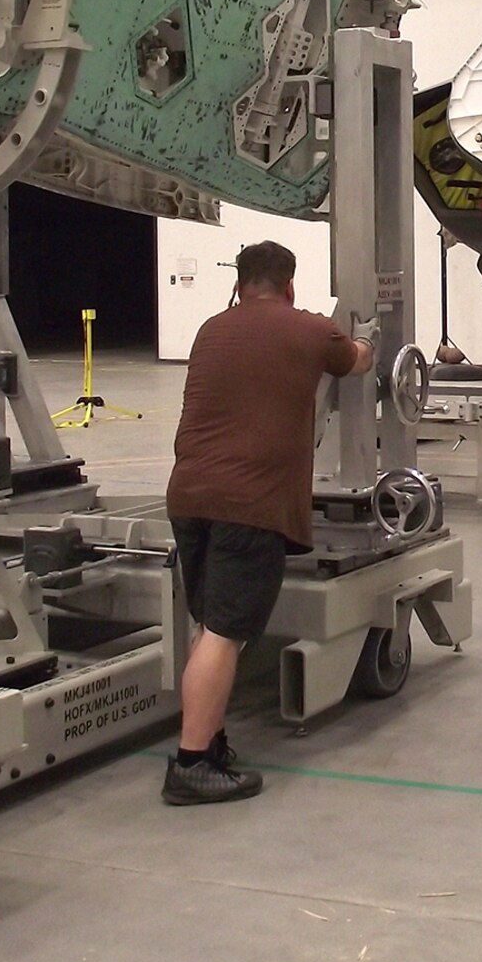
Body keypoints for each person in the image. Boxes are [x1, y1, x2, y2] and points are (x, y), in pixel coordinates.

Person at [161, 241, 373, 805]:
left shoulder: (210, 328)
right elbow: (356, 361)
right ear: (290, 285)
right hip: (248, 504)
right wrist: (369, 336)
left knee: (209, 627)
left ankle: (208, 737)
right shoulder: (306, 330)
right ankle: (191, 764)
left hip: (188, 496)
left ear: (238, 284)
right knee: (227, 633)